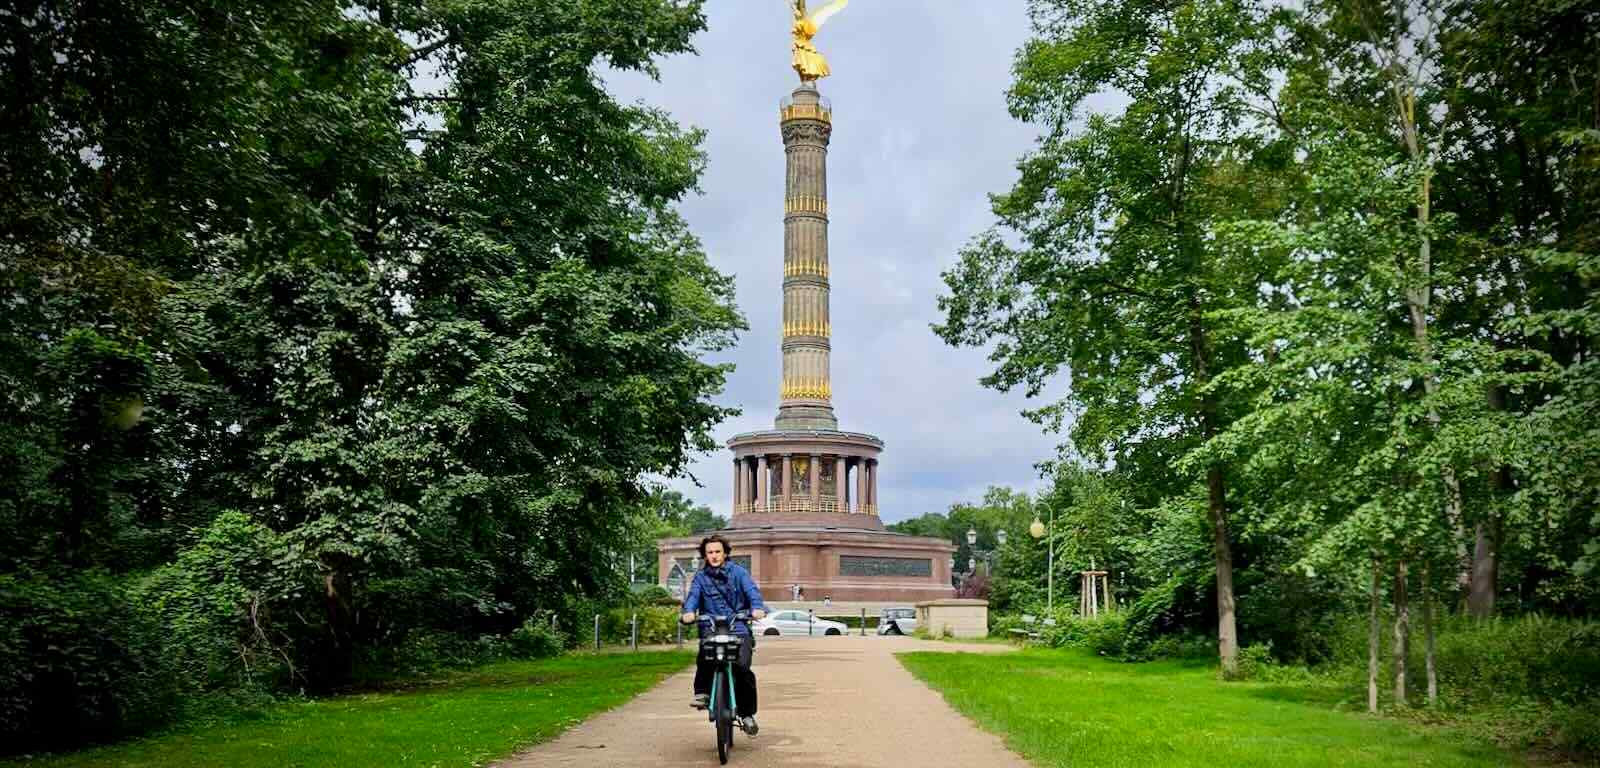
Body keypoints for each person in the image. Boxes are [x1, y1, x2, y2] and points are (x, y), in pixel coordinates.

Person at [680, 534, 767, 735]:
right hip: (711, 627)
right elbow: (693, 597)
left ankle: (747, 714)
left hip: (738, 628)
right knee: (705, 655)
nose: (714, 555)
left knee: (743, 668)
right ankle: (702, 692)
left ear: (725, 553)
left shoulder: (739, 573)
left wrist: (757, 608)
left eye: (718, 551)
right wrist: (689, 612)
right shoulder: (700, 578)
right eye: (710, 552)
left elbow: (752, 592)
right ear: (705, 556)